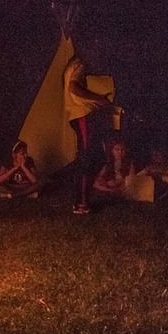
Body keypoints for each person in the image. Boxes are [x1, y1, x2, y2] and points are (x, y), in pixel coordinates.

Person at [63, 53, 115, 214]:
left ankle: (83, 198)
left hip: (84, 114)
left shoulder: (75, 65)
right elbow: (73, 87)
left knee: (97, 156)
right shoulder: (79, 64)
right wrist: (98, 99)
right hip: (81, 115)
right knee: (87, 157)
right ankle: (82, 204)